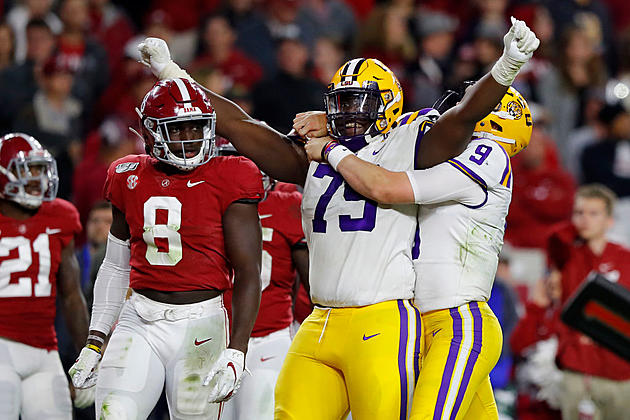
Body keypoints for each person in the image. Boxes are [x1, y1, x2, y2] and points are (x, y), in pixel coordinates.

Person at [139, 18, 538, 419]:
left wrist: (506, 66)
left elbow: (463, 116)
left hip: (382, 320)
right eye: (342, 102)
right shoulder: (316, 153)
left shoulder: (408, 145)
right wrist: (174, 75)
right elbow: (240, 125)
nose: (348, 113)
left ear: (388, 105)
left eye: (358, 102)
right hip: (320, 319)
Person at [303, 85, 531, 419]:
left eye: (467, 107)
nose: (454, 114)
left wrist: (333, 148)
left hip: (458, 323)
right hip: (423, 324)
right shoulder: (449, 154)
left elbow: (387, 186)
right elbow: (394, 130)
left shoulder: (489, 155)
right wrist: (334, 120)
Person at [68, 78, 264, 419]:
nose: (190, 139)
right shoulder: (127, 175)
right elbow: (115, 266)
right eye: (179, 129)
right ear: (151, 133)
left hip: (201, 324)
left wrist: (238, 349)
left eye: (196, 127)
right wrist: (95, 340)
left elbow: (249, 271)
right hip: (138, 318)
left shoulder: (229, 175)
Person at [216, 142, 309, 420]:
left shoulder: (287, 204)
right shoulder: (205, 201)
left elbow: (311, 284)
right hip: (212, 336)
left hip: (268, 336)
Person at [0, 132, 89, 419]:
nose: (37, 179)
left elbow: (72, 295)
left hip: (43, 349)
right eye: (27, 171)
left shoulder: (60, 216)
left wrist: (88, 355)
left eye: (40, 170)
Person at [546, 184, 630, 420]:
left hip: (621, 370)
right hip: (578, 366)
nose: (584, 220)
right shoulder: (567, 255)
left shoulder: (626, 258)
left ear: (610, 220)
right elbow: (554, 237)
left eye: (594, 214)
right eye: (579, 213)